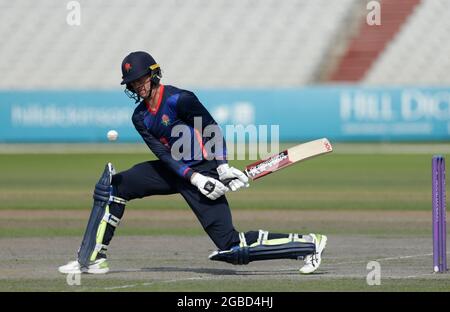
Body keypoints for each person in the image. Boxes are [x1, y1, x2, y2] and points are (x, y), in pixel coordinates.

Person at [58, 51, 327, 275]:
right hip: (176, 170)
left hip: (205, 168)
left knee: (231, 247)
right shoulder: (139, 117)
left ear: (153, 74)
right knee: (113, 187)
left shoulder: (179, 99)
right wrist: (194, 178)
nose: (137, 86)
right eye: (132, 83)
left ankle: (309, 244)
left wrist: (221, 167)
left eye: (140, 79)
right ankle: (91, 259)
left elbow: (211, 129)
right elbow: (163, 155)